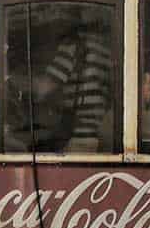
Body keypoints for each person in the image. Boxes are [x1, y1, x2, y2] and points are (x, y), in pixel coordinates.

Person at [32, 24, 113, 152]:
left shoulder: (73, 46)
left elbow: (44, 88)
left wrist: (16, 80)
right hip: (97, 135)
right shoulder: (106, 49)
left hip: (77, 136)